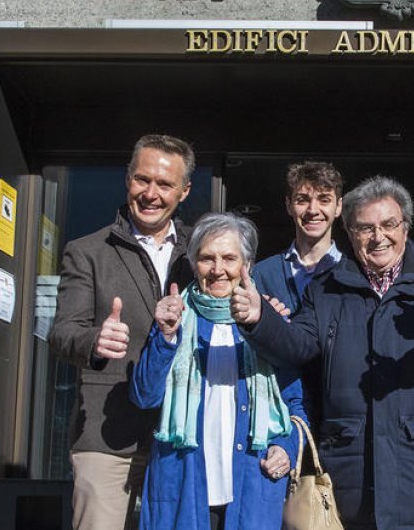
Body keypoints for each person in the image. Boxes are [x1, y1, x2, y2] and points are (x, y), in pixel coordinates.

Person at [234, 175, 414, 529]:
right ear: (350, 233)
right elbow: (298, 345)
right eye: (365, 228)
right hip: (348, 480)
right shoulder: (325, 290)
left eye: (388, 224)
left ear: (406, 227)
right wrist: (260, 318)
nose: (378, 236)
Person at [50, 134, 196, 529]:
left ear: (184, 191)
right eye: (142, 180)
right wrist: (93, 339)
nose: (151, 193)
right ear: (127, 179)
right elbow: (63, 331)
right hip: (107, 436)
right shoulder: (87, 251)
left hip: (182, 437)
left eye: (164, 184)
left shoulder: (201, 253)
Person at [131, 212, 305, 530]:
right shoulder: (174, 316)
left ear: (247, 266)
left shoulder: (267, 321)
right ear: (194, 264)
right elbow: (144, 397)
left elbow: (295, 406)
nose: (218, 269)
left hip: (252, 486)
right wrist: (167, 337)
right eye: (207, 258)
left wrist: (287, 447)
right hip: (183, 486)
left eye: (229, 258)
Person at [250, 161, 344, 321]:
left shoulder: (354, 272)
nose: (313, 210)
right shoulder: (262, 274)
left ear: (338, 207)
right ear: (288, 205)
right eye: (303, 200)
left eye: (324, 200)